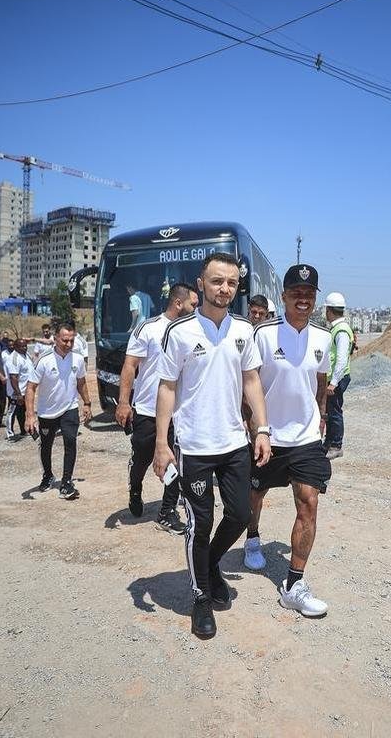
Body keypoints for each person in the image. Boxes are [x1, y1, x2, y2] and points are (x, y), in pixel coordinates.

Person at [152, 252, 271, 639]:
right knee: (199, 524)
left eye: (232, 283)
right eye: (217, 281)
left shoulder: (243, 330)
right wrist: (161, 443)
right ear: (201, 284)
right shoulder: (181, 331)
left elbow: (251, 381)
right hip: (195, 445)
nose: (225, 289)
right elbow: (167, 387)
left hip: (234, 441)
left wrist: (263, 429)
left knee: (238, 515)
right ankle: (201, 596)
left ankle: (210, 564)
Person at [241, 264, 333, 617]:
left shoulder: (322, 338)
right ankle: (252, 536)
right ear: (284, 296)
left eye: (309, 294)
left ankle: (294, 584)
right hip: (268, 434)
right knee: (255, 495)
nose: (303, 299)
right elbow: (248, 384)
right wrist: (252, 428)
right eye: (296, 293)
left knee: (308, 501)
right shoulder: (262, 334)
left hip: (306, 436)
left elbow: (320, 382)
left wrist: (321, 414)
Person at [116, 282, 198, 533]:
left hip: (179, 413)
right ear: (178, 303)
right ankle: (135, 485)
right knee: (142, 456)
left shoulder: (193, 330)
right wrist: (123, 402)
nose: (196, 308)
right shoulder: (149, 329)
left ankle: (167, 511)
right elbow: (130, 366)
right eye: (193, 304)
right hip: (148, 409)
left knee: (177, 462)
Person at [26, 322, 92, 499]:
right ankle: (47, 475)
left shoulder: (77, 358)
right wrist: (30, 415)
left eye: (71, 340)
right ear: (55, 339)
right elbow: (31, 388)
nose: (68, 344)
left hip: (69, 408)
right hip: (47, 412)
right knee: (46, 445)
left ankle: (66, 482)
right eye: (65, 340)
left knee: (71, 441)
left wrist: (87, 403)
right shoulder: (43, 360)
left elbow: (81, 383)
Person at [323, 291, 353, 460]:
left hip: (337, 378)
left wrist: (333, 382)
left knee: (334, 412)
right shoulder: (337, 328)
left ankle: (336, 445)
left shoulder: (341, 330)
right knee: (329, 411)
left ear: (329, 310)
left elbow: (341, 359)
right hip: (334, 377)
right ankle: (329, 441)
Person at [4, 339, 31, 440]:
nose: (24, 348)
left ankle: (23, 430)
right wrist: (18, 394)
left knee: (21, 412)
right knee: (12, 412)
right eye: (22, 346)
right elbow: (13, 377)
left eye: (25, 346)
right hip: (16, 392)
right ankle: (10, 433)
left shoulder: (26, 355)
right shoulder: (14, 359)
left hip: (25, 390)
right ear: (15, 347)